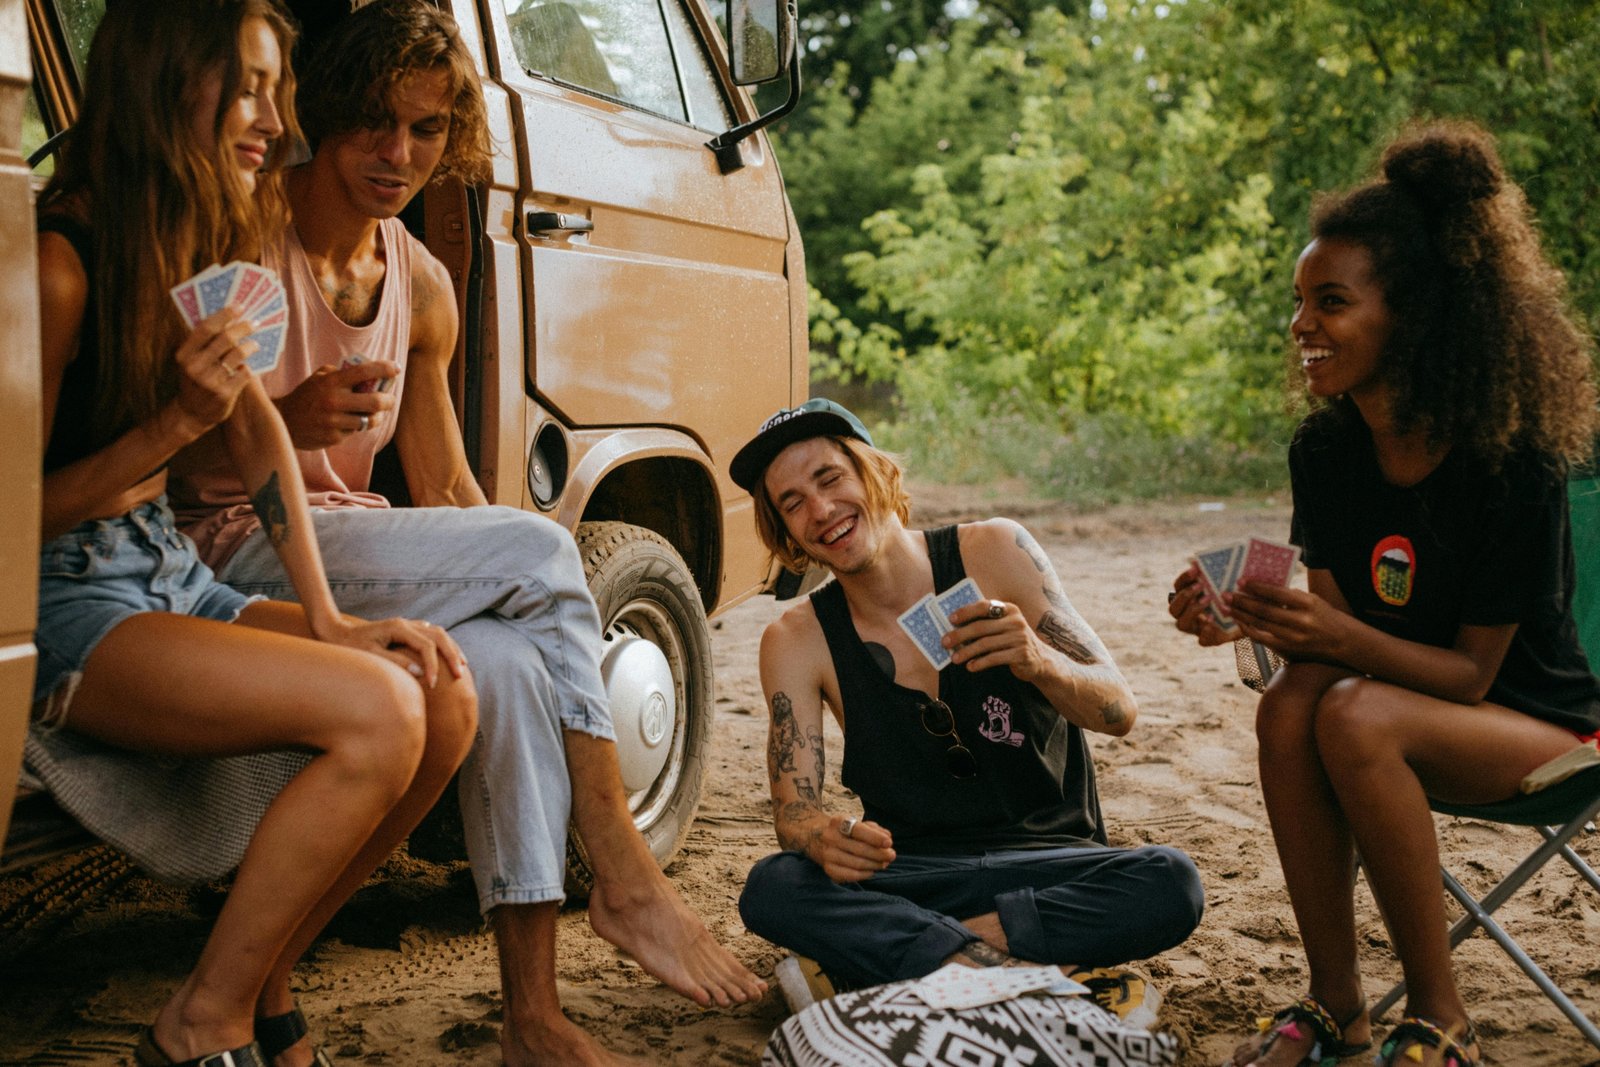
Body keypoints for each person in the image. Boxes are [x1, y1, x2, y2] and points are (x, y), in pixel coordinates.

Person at [166, 3, 764, 1064]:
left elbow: (440, 482)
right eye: (374, 125)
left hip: (355, 542)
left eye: (430, 131)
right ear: (324, 116)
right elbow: (153, 438)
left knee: (503, 658)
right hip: (226, 547)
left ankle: (531, 1012)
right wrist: (292, 417)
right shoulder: (241, 230)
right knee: (537, 549)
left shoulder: (423, 283)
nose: (399, 156)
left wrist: (512, 601)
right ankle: (620, 867)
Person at [28, 3, 479, 1066]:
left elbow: (260, 433)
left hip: (174, 575)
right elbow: (7, 522)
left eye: (276, 90)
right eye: (249, 88)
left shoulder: (195, 246)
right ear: (164, 81)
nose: (276, 121)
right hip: (66, 597)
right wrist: (172, 425)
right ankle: (199, 1023)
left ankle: (264, 982)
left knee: (441, 687)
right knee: (378, 711)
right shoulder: (60, 265)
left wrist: (332, 616)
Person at [1169, 121, 1600, 1067]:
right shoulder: (1325, 448)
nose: (1302, 327)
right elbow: (1334, 637)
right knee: (1290, 703)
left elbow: (1473, 675)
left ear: (1413, 315)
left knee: (1354, 713)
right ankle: (1337, 1004)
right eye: (1298, 303)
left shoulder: (1510, 460)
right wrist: (1243, 616)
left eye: (1331, 303)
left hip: (1534, 721)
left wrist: (1331, 637)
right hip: (1386, 707)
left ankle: (1441, 1017)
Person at [730, 399, 1205, 1019]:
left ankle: (909, 966)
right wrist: (823, 836)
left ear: (876, 473)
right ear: (785, 531)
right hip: (917, 872)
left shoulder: (997, 551)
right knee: (774, 887)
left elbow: (1118, 711)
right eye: (792, 503)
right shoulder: (796, 639)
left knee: (1171, 881)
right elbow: (794, 813)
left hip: (1050, 867)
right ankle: (1035, 977)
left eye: (830, 479)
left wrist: (1039, 659)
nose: (820, 511)